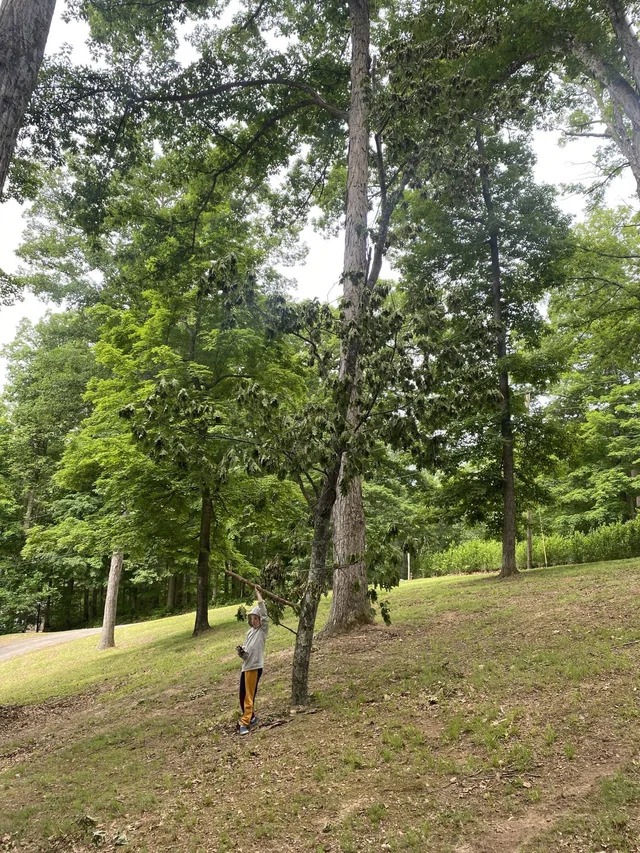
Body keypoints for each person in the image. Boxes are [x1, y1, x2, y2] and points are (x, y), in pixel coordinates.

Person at [236, 588, 268, 735]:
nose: (254, 621)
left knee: (249, 695)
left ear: (260, 620)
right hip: (246, 666)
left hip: (254, 667)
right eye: (252, 618)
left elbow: (263, 610)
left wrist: (258, 593)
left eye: (256, 618)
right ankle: (252, 717)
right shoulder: (249, 633)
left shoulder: (262, 631)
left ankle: (245, 722)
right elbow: (247, 653)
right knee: (242, 695)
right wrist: (241, 652)